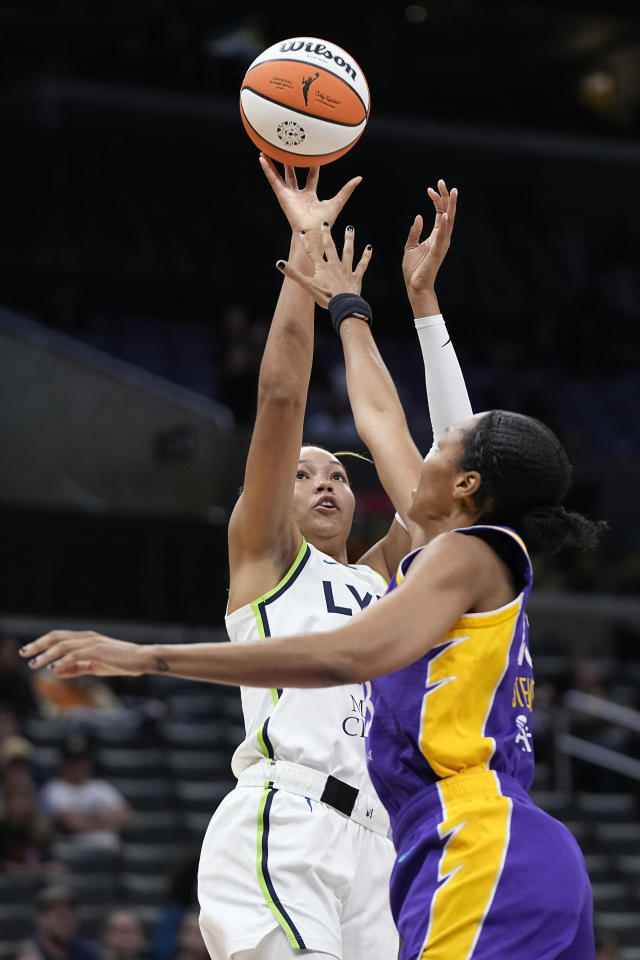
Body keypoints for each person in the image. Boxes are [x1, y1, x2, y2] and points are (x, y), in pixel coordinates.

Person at [20, 222, 607, 958]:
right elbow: (301, 404)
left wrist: (148, 656)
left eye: (337, 472)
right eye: (304, 473)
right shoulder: (295, 562)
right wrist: (341, 299)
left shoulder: (428, 564)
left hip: (420, 842)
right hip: (311, 819)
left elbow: (434, 453)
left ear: (463, 486)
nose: (327, 479)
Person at [39, 732, 131, 856]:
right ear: (63, 763)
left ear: (89, 763)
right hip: (69, 850)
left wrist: (84, 821)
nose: (77, 766)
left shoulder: (101, 787)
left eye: (81, 761)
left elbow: (125, 816)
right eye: (72, 761)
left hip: (106, 851)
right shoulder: (54, 789)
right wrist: (104, 821)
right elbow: (71, 824)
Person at [14, 884, 102, 960]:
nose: (67, 922)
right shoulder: (27, 952)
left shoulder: (87, 952)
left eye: (71, 915)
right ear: (40, 919)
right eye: (60, 916)